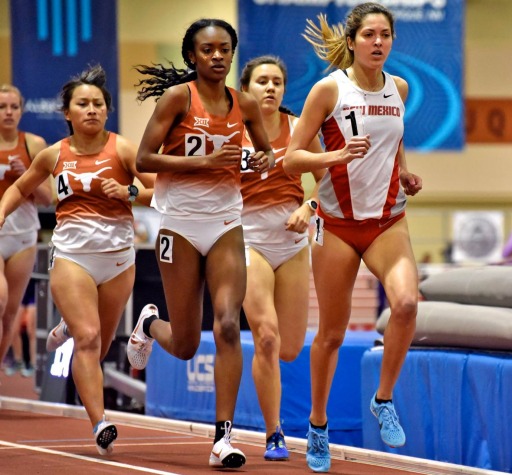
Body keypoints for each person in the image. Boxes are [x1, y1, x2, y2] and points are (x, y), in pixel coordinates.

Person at [128, 18, 274, 469]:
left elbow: (264, 156)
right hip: (179, 225)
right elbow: (143, 159)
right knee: (188, 343)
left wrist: (257, 160)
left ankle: (222, 439)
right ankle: (150, 324)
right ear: (192, 55)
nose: (217, 56)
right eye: (207, 49)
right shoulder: (178, 98)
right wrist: (205, 160)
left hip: (227, 222)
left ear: (232, 54)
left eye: (224, 49)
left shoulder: (245, 104)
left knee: (229, 325)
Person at [284, 3, 423, 471]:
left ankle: (383, 399)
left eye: (386, 34)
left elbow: (395, 139)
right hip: (336, 224)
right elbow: (291, 159)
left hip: (387, 220)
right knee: (331, 333)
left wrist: (404, 173)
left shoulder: (399, 88)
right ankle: (318, 425)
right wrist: (337, 157)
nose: (379, 42)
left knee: (405, 304)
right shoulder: (329, 90)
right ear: (353, 41)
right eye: (370, 35)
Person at [0, 65, 155, 455]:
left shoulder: (123, 149)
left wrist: (128, 191)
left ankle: (68, 328)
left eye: (98, 104)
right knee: (89, 339)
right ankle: (100, 423)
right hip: (72, 257)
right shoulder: (54, 155)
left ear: (107, 110)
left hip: (119, 259)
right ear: (67, 112)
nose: (91, 110)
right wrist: (2, 212)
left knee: (96, 345)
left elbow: (160, 191)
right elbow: (20, 188)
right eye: (82, 104)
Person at [238, 55, 325, 461]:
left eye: (277, 81)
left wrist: (308, 207)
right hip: (245, 238)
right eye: (262, 81)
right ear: (247, 89)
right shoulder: (231, 130)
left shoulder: (298, 130)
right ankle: (274, 433)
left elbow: (329, 181)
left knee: (289, 347)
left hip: (292, 241)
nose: (270, 88)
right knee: (266, 337)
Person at [0, 84, 50, 376]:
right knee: (1, 299)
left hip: (23, 236)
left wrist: (25, 176)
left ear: (21, 110)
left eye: (13, 107)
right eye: (2, 107)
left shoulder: (33, 144)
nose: (8, 112)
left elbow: (48, 198)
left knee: (9, 315)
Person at [5, 279, 37, 378]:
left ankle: (33, 364)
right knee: (14, 329)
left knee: (31, 329)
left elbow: (51, 265)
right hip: (22, 290)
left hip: (36, 290)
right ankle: (18, 361)